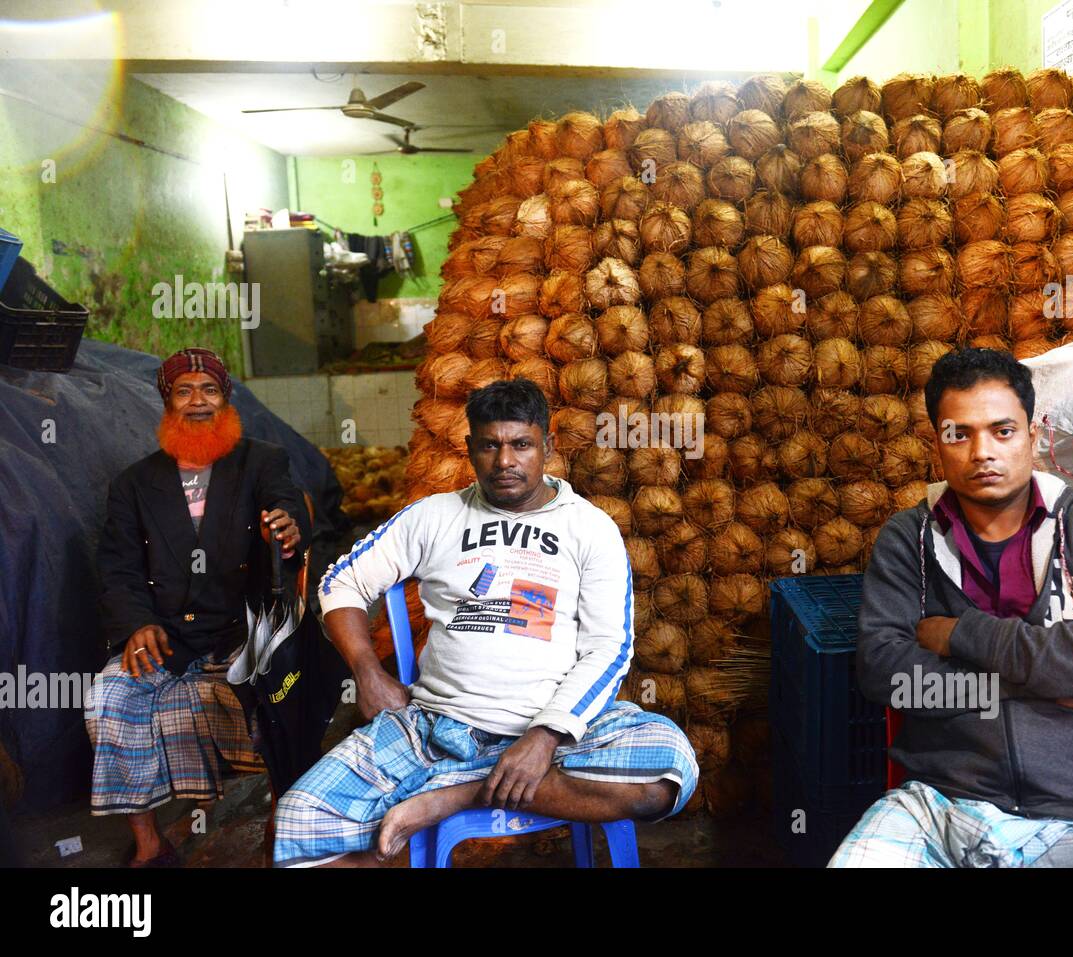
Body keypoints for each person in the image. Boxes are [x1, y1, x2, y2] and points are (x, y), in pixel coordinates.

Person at [273, 379, 697, 867]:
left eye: (521, 444)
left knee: (666, 771)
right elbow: (340, 583)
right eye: (490, 445)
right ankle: (444, 801)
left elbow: (609, 648)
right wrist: (367, 671)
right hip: (434, 728)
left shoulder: (590, 528)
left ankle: (452, 798)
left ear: (547, 446)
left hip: (553, 730)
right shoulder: (434, 516)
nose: (505, 461)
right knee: (295, 824)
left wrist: (544, 738)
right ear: (470, 448)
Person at [830, 348, 1073, 868]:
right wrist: (1033, 681)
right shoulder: (907, 540)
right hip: (936, 804)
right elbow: (884, 673)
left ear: (1033, 437)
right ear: (937, 443)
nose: (982, 451)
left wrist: (960, 634)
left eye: (1002, 431)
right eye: (959, 434)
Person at [88, 347, 310, 867]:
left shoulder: (262, 460)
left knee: (276, 699)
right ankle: (150, 843)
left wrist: (288, 527)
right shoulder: (134, 484)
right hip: (168, 631)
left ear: (225, 398)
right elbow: (117, 565)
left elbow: (288, 504)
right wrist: (137, 623)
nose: (198, 401)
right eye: (184, 391)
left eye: (208, 390)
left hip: (244, 629)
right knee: (109, 695)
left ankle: (284, 813)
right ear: (167, 402)